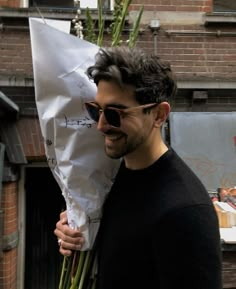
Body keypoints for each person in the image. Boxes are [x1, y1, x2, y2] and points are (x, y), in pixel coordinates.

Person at [54, 46, 222, 289]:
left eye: (114, 113)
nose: (100, 126)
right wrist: (75, 231)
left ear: (158, 115)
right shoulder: (114, 176)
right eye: (95, 110)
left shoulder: (185, 211)